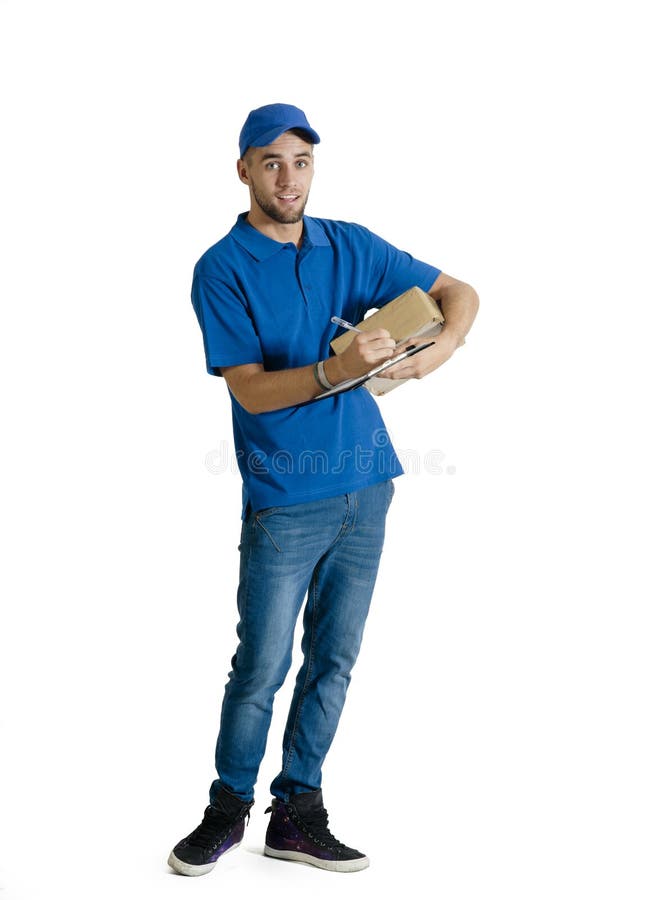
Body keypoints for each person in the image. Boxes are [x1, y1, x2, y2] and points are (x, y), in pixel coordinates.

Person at [168, 103, 479, 876]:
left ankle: (297, 812)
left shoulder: (349, 243)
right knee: (261, 666)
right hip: (284, 500)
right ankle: (226, 809)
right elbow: (248, 391)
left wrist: (427, 358)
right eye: (271, 161)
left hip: (367, 487)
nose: (288, 177)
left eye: (301, 161)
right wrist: (336, 371)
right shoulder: (222, 267)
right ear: (243, 169)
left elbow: (460, 291)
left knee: (333, 662)